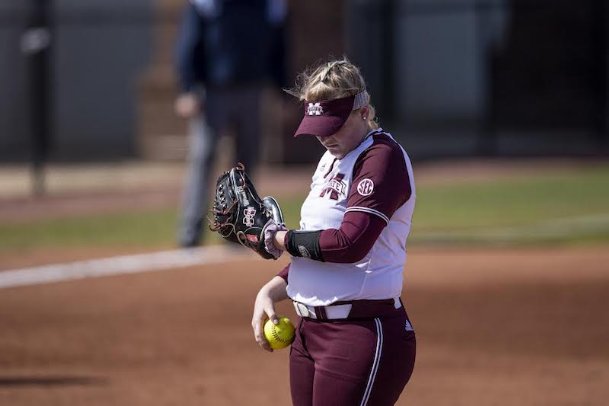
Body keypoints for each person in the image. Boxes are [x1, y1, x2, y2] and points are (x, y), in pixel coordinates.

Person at [252, 58, 417, 405]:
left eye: (335, 125)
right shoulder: (329, 159)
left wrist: (278, 237)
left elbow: (349, 243)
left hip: (360, 333)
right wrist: (273, 288)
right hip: (308, 334)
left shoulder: (381, 157)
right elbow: (315, 242)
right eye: (319, 126)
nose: (325, 136)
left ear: (363, 111)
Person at [174, 0, 287, 247]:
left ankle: (239, 231)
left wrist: (281, 91)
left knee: (246, 164)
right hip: (213, 91)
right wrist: (188, 88)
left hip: (253, 89)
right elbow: (189, 43)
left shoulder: (270, 4)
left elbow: (279, 46)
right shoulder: (207, 3)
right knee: (204, 158)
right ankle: (190, 234)